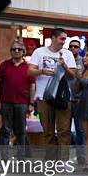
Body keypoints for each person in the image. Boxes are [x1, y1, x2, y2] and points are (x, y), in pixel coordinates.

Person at [28, 28, 77, 161]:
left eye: (65, 39)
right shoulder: (39, 52)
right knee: (47, 131)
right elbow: (30, 71)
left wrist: (65, 66)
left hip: (62, 97)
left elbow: (72, 76)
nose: (63, 42)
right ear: (53, 38)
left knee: (64, 131)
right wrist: (42, 71)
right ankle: (50, 159)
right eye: (61, 39)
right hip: (44, 97)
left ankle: (63, 160)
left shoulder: (67, 54)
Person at [0, 39, 35, 159]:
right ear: (10, 51)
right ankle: (5, 157)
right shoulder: (4, 65)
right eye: (13, 49)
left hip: (22, 103)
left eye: (19, 49)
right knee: (6, 130)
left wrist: (31, 103)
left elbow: (32, 86)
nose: (16, 51)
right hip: (6, 102)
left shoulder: (28, 67)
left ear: (23, 52)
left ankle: (21, 156)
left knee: (21, 131)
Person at [67, 38, 85, 165]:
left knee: (80, 130)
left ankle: (81, 157)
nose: (73, 48)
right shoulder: (66, 61)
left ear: (79, 49)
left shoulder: (83, 62)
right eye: (71, 46)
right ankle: (64, 157)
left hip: (79, 100)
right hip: (66, 100)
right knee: (65, 130)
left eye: (75, 47)